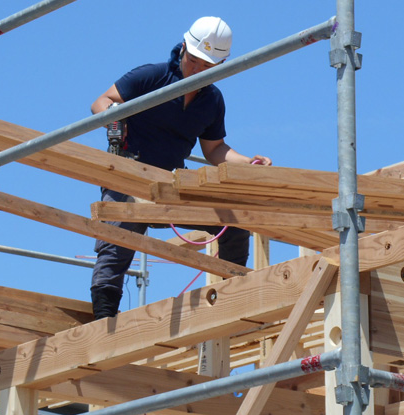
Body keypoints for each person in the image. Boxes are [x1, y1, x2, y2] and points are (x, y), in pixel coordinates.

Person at [89, 16, 272, 320]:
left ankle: (233, 296)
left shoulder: (212, 100)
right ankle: (102, 319)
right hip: (129, 177)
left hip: (173, 185)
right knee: (117, 239)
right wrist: (114, 116)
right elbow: (101, 102)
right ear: (184, 48)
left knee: (234, 224)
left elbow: (214, 150)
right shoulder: (152, 77)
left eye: (208, 67)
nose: (198, 70)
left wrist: (249, 163)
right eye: (195, 61)